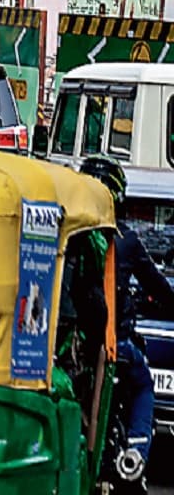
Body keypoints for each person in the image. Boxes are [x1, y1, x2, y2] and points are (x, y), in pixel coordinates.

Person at [80, 154, 174, 488]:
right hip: (114, 347)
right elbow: (160, 288)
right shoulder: (125, 241)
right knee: (144, 386)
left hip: (73, 353)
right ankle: (135, 451)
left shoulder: (72, 236)